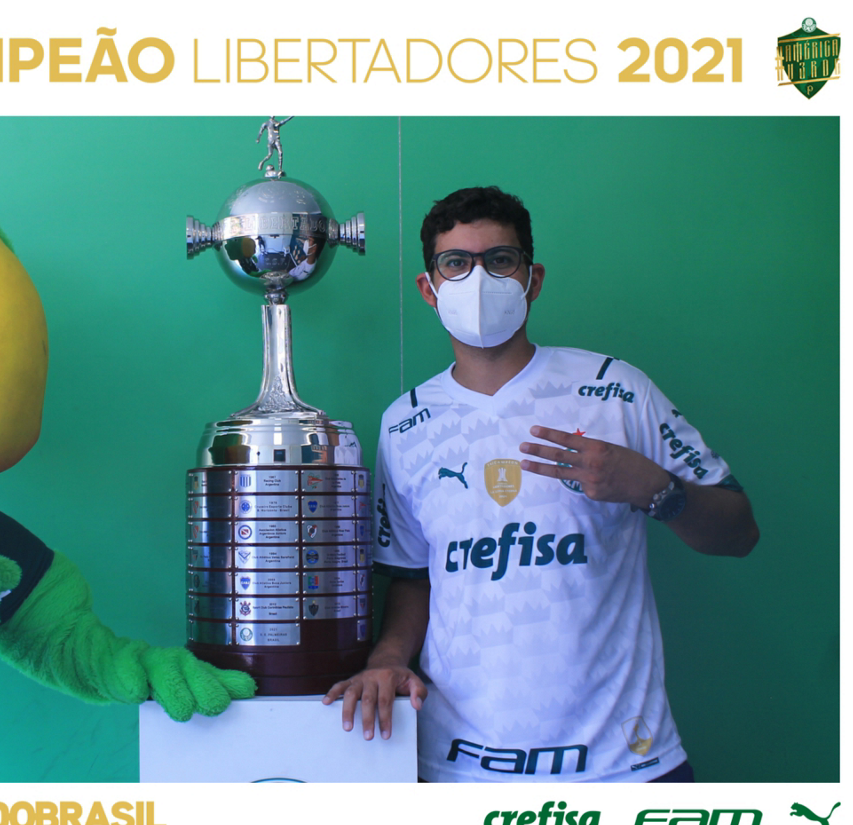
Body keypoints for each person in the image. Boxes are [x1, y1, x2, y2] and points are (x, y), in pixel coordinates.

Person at [322, 186, 758, 782]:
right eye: (457, 263)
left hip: (623, 764)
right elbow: (413, 574)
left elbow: (739, 531)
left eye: (500, 260)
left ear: (533, 279)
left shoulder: (616, 390)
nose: (479, 279)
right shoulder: (405, 424)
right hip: (459, 766)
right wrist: (388, 656)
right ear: (430, 288)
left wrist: (654, 488)